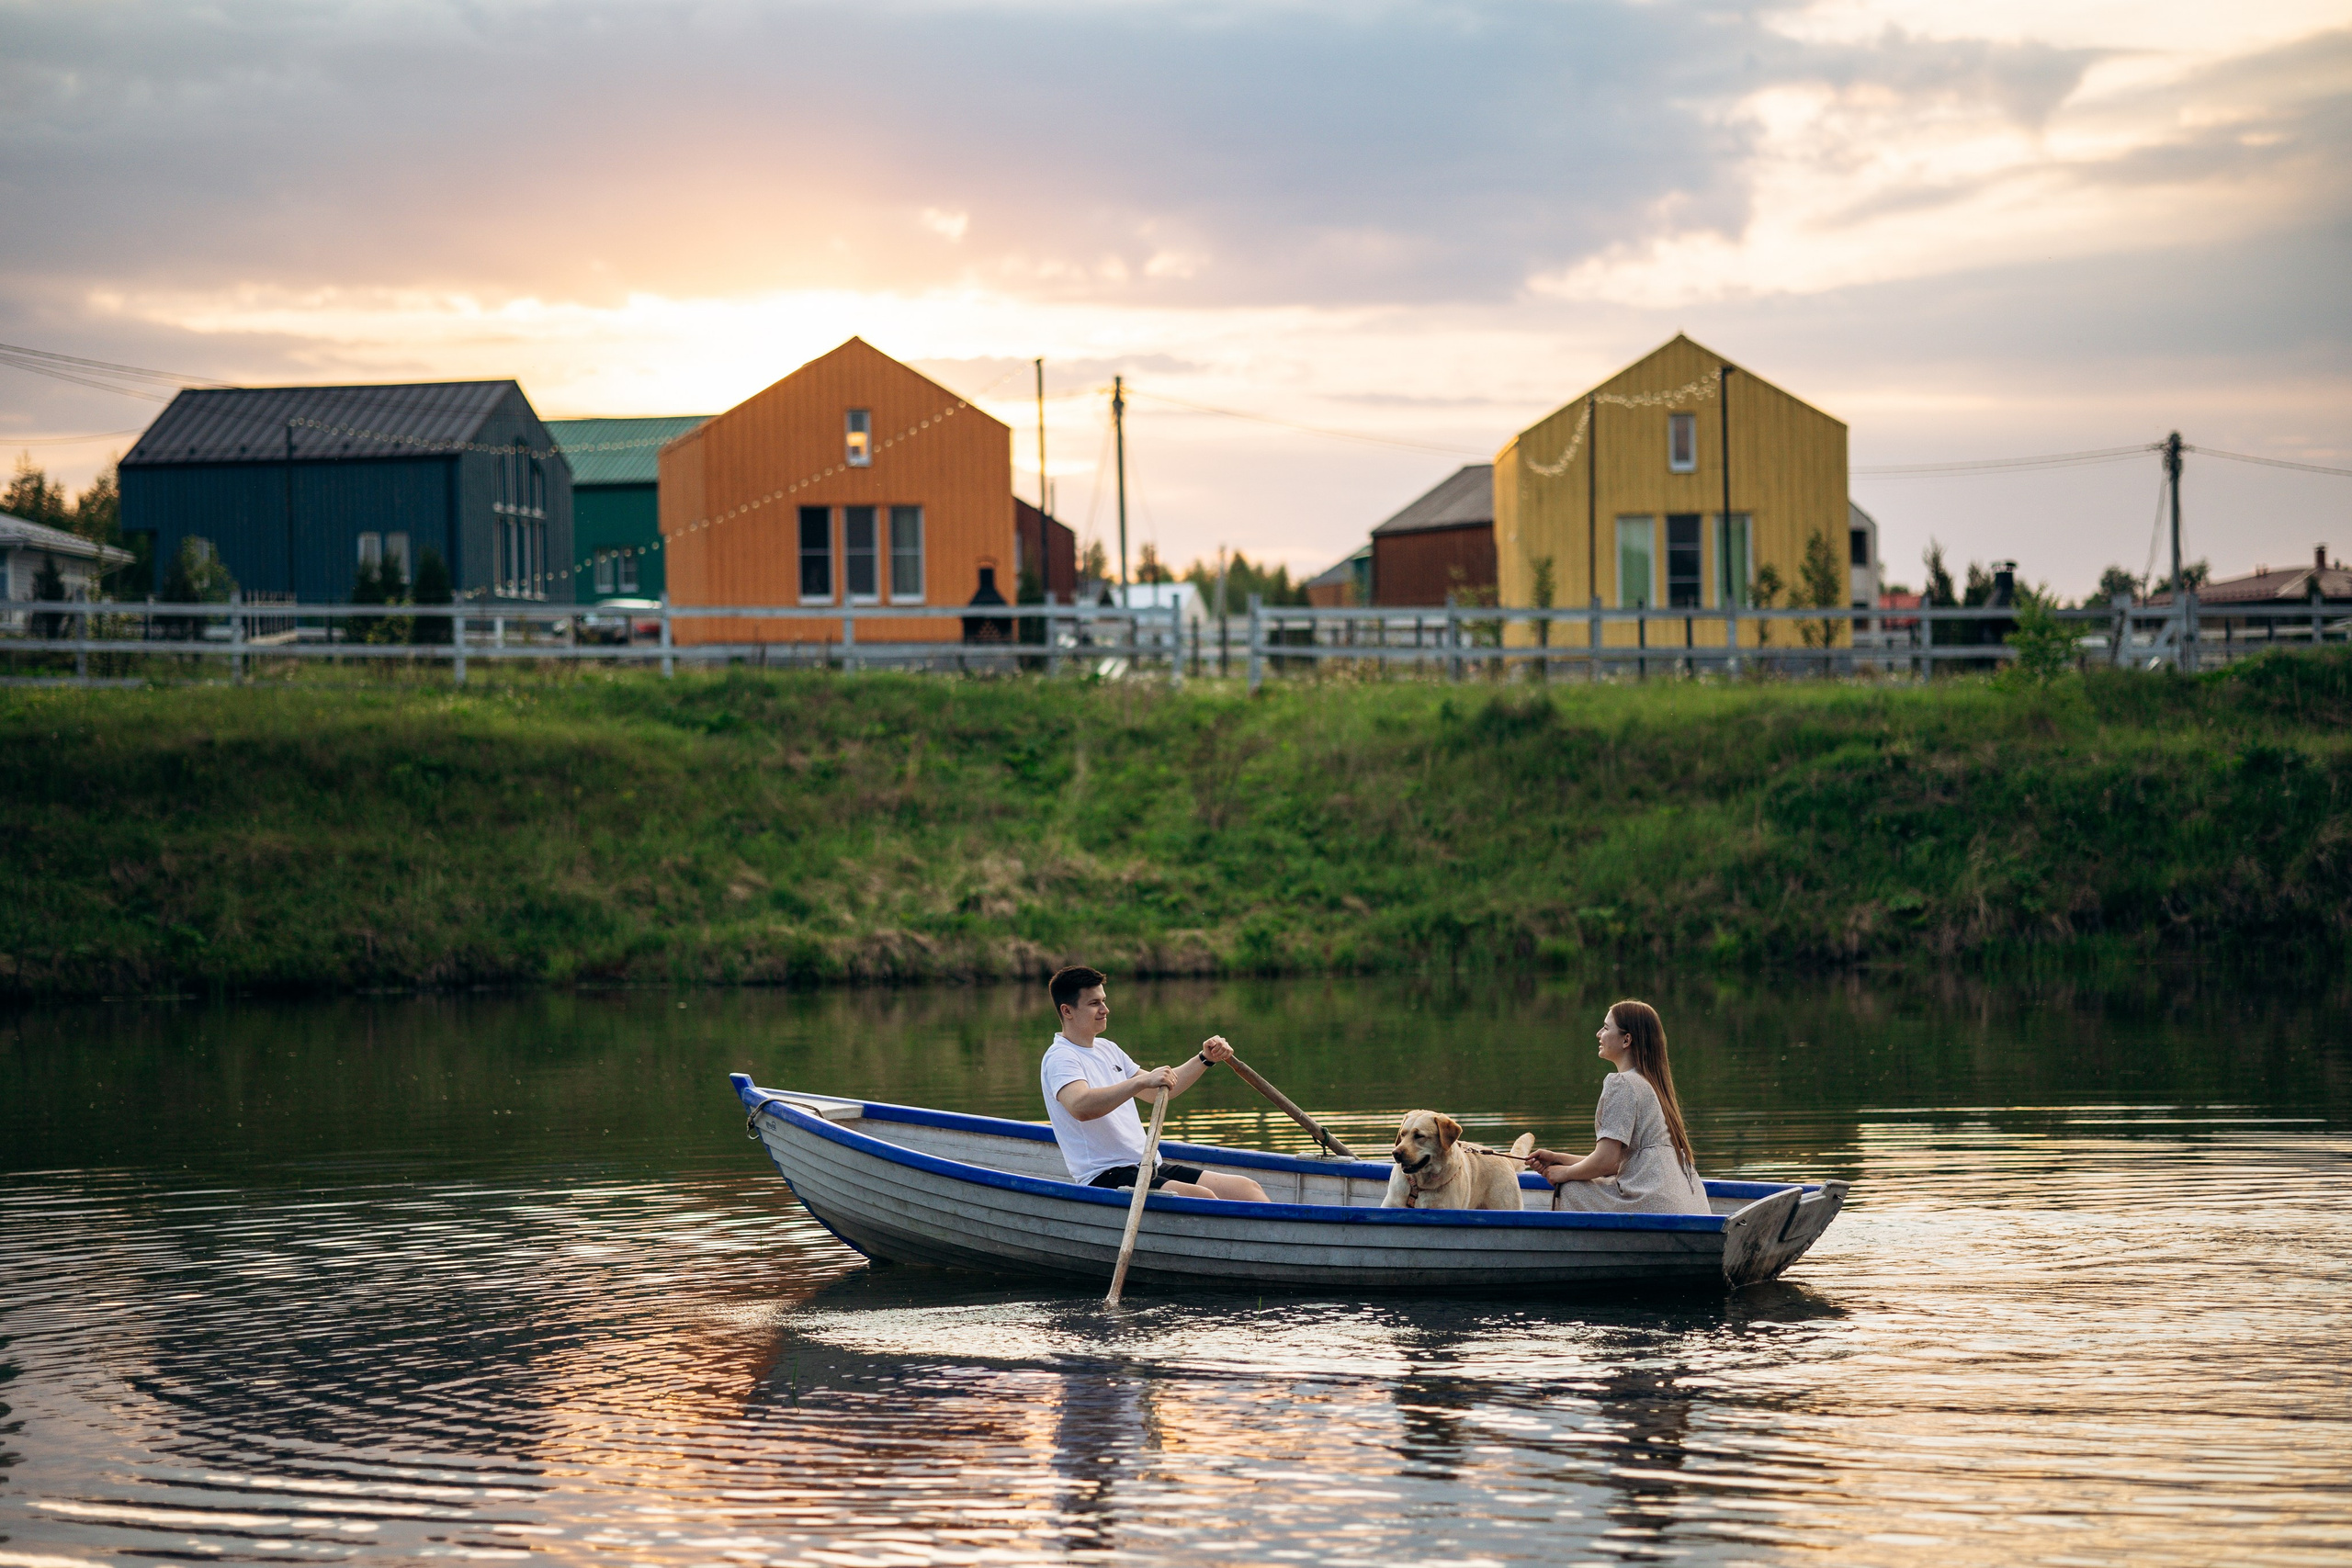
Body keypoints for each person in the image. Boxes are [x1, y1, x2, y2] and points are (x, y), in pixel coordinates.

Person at [1040, 964, 1269, 1201]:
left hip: (1147, 1165)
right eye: (1094, 1003)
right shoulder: (1061, 1057)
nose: (1105, 1009)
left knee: (1247, 1189)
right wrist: (1139, 1083)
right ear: (1067, 1011)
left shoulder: (1107, 1048)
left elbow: (1158, 1092)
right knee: (1203, 1197)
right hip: (1105, 1175)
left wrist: (1205, 1058)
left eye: (1104, 1001)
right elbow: (1080, 1107)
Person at [1525, 999, 1711, 1214]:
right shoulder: (1654, 1085)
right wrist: (1558, 1158)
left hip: (1652, 1205)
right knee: (1578, 1177)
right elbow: (1619, 1165)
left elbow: (1605, 1162)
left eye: (1605, 1027)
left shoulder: (1622, 1083)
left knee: (1570, 1187)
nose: (1598, 1034)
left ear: (1626, 1040)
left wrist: (1563, 1174)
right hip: (1689, 1207)